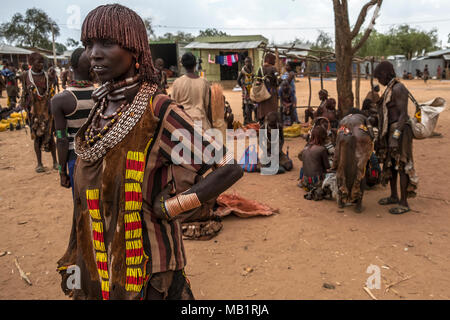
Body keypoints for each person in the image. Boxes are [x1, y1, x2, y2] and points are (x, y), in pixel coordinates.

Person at [56, 4, 243, 300]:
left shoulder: (159, 111)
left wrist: (173, 206)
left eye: (106, 43)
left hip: (149, 271)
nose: (94, 53)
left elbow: (229, 167)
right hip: (100, 262)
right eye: (88, 44)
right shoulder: (101, 108)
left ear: (134, 50)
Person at [374, 61, 418, 215]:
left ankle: (404, 202)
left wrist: (395, 136)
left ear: (386, 73)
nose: (378, 80)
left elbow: (403, 115)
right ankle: (394, 196)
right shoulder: (390, 89)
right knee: (391, 164)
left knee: (401, 166)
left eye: (379, 76)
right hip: (390, 131)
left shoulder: (399, 88)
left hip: (399, 132)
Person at [50, 48, 94, 196]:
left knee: (81, 208)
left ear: (72, 65)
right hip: (100, 159)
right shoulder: (102, 95)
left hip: (76, 161)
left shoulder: (60, 100)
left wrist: (62, 171)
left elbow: (62, 140)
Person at [20, 52, 58, 173]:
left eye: (42, 62)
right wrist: (26, 107)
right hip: (34, 112)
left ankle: (55, 162)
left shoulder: (47, 76)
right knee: (37, 137)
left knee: (50, 136)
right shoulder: (26, 75)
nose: (41, 64)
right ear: (31, 63)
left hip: (46, 111)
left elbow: (51, 92)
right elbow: (24, 93)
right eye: (38, 62)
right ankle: (39, 163)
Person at [172, 52, 212, 130]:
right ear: (195, 64)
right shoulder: (204, 82)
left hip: (183, 122)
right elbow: (208, 106)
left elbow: (174, 105)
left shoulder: (177, 82)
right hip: (201, 122)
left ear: (182, 65)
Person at [298, 125, 330, 200]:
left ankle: (302, 183)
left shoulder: (305, 148)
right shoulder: (322, 149)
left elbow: (301, 157)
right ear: (323, 136)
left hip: (305, 181)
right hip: (316, 181)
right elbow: (327, 167)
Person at [256, 53, 279, 125]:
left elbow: (257, 81)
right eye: (274, 60)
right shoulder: (273, 69)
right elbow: (278, 80)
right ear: (268, 59)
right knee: (272, 115)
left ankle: (262, 134)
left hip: (262, 94)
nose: (275, 62)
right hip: (271, 94)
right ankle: (274, 135)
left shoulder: (260, 69)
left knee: (262, 113)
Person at [236, 56, 256, 125]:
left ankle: (250, 119)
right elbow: (238, 80)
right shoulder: (243, 70)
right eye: (246, 62)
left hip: (251, 89)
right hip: (246, 90)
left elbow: (254, 77)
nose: (248, 63)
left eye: (249, 62)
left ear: (251, 62)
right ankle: (246, 120)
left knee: (251, 104)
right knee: (246, 104)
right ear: (244, 63)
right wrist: (242, 87)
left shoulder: (252, 69)